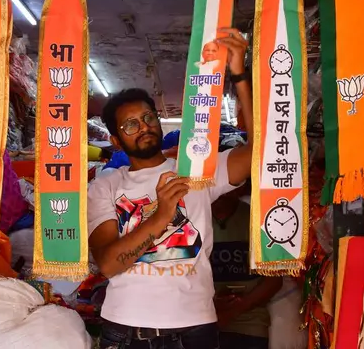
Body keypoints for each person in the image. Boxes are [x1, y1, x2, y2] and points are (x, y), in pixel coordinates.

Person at [88, 27, 253, 349]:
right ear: (116, 140)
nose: (144, 127)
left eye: (148, 117)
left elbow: (265, 147)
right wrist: (163, 213)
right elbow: (109, 264)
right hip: (127, 328)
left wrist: (239, 74)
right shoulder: (107, 185)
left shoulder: (195, 170)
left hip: (195, 327)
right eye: (130, 124)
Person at [211, 195, 282, 349]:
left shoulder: (259, 221)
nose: (220, 193)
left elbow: (275, 280)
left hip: (249, 325)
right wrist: (211, 304)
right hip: (204, 324)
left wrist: (234, 310)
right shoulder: (195, 221)